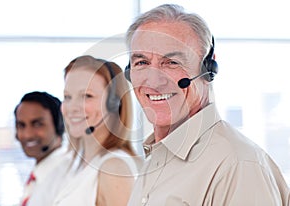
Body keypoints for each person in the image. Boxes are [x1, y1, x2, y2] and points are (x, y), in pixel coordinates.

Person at [124, 4, 290, 206]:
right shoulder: (156, 160)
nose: (154, 81)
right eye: (141, 63)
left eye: (172, 63)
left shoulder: (237, 165)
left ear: (209, 68)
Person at [52, 55, 141, 206]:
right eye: (67, 97)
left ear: (113, 104)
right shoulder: (80, 165)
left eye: (87, 96)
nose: (72, 107)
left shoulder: (114, 169)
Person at [14, 91, 70, 206]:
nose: (27, 134)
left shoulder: (68, 178)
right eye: (21, 125)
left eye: (38, 124)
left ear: (59, 125)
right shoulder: (40, 176)